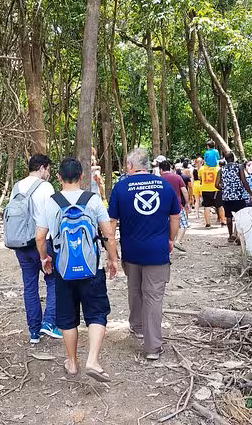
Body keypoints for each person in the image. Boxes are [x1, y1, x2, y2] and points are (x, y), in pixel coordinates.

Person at [35, 158, 119, 382]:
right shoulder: (93, 200)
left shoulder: (51, 202)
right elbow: (108, 234)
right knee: (97, 313)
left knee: (67, 317)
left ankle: (72, 363)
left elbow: (40, 237)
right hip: (92, 268)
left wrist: (45, 259)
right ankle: (92, 359)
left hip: (63, 269)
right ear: (82, 177)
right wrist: (113, 259)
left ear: (59, 178)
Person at [108, 149, 180, 360]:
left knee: (135, 289)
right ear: (147, 165)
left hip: (131, 251)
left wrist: (112, 251)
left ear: (130, 166)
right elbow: (175, 216)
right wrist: (170, 239)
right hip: (157, 251)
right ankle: (153, 347)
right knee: (154, 296)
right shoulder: (164, 186)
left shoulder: (121, 187)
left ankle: (137, 326)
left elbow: (111, 224)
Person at [12, 154, 62, 344]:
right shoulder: (45, 187)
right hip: (42, 242)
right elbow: (52, 216)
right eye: (48, 170)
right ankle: (49, 323)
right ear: (41, 168)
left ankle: (34, 332)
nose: (48, 174)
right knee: (53, 280)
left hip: (21, 244)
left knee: (30, 286)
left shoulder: (17, 187)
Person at [215, 152, 252, 243]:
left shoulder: (221, 169)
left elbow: (216, 184)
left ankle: (230, 235)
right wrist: (250, 193)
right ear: (233, 158)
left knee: (228, 216)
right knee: (239, 216)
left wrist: (224, 188)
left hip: (226, 197)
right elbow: (244, 181)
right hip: (239, 195)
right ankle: (239, 236)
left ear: (225, 159)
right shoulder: (239, 167)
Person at [160, 159, 190, 250]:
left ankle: (166, 243)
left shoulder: (158, 179)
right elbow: (184, 191)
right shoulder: (177, 177)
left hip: (162, 207)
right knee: (183, 224)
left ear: (161, 170)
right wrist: (187, 203)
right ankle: (176, 241)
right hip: (177, 205)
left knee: (165, 226)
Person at [199, 158, 225, 228]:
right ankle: (223, 221)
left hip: (205, 189)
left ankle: (208, 223)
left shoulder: (201, 169)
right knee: (220, 205)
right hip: (216, 189)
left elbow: (200, 179)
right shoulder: (218, 168)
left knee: (207, 206)